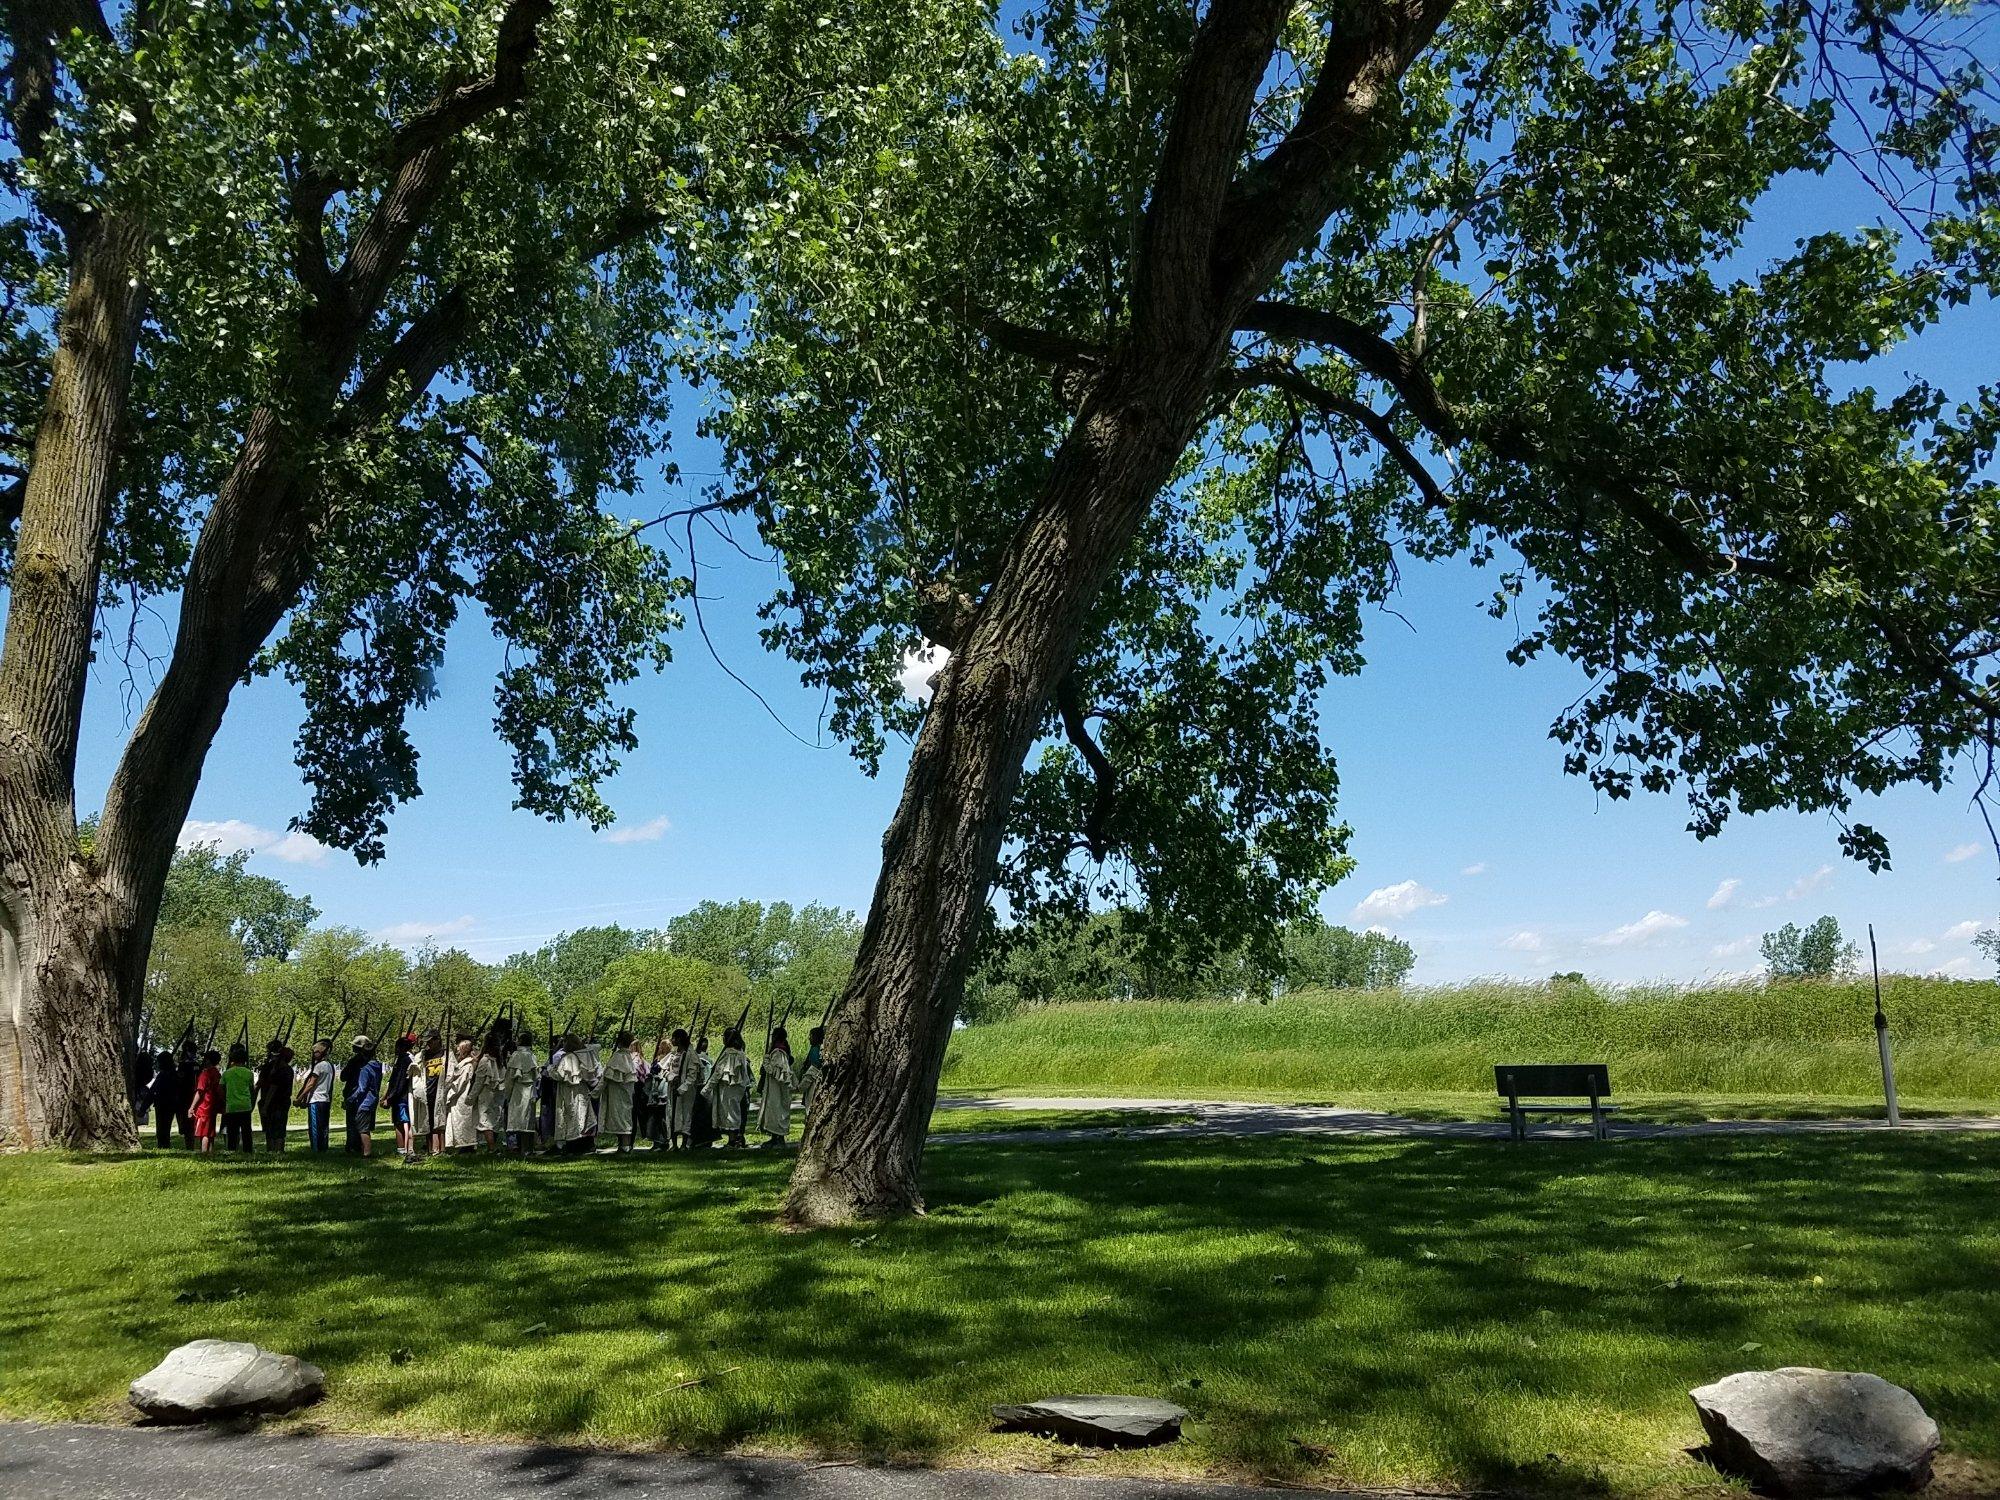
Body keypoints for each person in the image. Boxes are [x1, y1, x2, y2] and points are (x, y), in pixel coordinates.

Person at [703, 1026, 753, 1149]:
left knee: (731, 1113)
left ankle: (733, 1140)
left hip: (729, 1087)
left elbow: (718, 1072)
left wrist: (707, 1089)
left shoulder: (730, 1054)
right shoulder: (741, 1053)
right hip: (737, 1088)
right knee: (733, 1112)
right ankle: (736, 1138)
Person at [550, 1031, 595, 1152]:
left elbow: (560, 1075)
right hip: (580, 1090)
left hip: (569, 1091)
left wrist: (550, 1070)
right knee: (580, 1114)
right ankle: (584, 1144)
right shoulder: (581, 1056)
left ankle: (572, 1144)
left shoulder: (569, 1057)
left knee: (571, 1115)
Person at [599, 1029, 639, 1153]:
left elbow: (607, 1076)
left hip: (618, 1094)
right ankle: (623, 1144)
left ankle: (625, 1145)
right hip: (623, 1092)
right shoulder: (627, 1057)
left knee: (621, 1117)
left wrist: (596, 1092)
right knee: (622, 1117)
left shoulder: (619, 1057)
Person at [754, 1026, 795, 1148]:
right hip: (773, 1088)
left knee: (778, 1110)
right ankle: (774, 1137)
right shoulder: (777, 1051)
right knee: (772, 1111)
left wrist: (766, 1062)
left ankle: (779, 1138)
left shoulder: (778, 1052)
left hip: (778, 1088)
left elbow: (776, 1071)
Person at [294, 1038, 335, 1152]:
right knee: (324, 1126)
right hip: (325, 1100)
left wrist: (300, 1098)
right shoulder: (330, 1066)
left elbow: (311, 1084)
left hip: (316, 1100)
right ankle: (323, 1147)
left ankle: (316, 1149)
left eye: (316, 1052)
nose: (314, 1054)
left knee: (315, 1127)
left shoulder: (319, 1066)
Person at [343, 1035, 381, 1156]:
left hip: (360, 1098)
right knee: (361, 1125)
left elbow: (361, 1087)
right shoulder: (375, 1065)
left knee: (361, 1126)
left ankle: (363, 1151)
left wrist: (350, 1099)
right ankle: (357, 1147)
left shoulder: (364, 1067)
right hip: (368, 1098)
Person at [255, 1037, 295, 1151]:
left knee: (272, 1128)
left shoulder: (276, 1069)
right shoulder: (287, 1069)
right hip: (283, 1101)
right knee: (278, 1127)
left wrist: (265, 1105)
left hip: (274, 1101)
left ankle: (273, 1149)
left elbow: (271, 1087)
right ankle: (277, 1150)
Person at [442, 1034, 481, 1152]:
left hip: (461, 1098)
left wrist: (448, 1094)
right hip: (459, 1097)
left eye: (459, 1049)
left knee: (463, 1122)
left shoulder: (467, 1065)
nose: (457, 1052)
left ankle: (466, 1146)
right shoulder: (464, 1064)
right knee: (460, 1122)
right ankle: (463, 1145)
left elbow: (460, 1083)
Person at [504, 1028, 540, 1154]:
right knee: (526, 1119)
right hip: (529, 1090)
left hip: (518, 1090)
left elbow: (510, 1078)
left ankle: (520, 1148)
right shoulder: (532, 1056)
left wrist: (507, 1093)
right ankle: (526, 1148)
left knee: (519, 1120)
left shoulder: (516, 1056)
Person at [385, 1034, 416, 1157]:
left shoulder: (405, 1060)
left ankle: (404, 1148)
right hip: (399, 1096)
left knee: (402, 1123)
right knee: (400, 1122)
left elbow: (399, 1081)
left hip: (401, 1097)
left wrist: (391, 1097)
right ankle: (403, 1147)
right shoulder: (401, 1060)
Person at [221, 1042, 255, 1153]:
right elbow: (251, 1089)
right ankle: (248, 1150)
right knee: (246, 1131)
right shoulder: (249, 1073)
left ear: (232, 1060)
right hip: (245, 1105)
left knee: (232, 1131)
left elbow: (221, 1088)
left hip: (231, 1106)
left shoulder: (226, 1073)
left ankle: (232, 1150)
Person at [473, 1033, 504, 1150]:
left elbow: (479, 1081)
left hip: (486, 1093)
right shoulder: (501, 1060)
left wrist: (471, 1097)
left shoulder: (485, 1061)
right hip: (498, 1093)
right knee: (494, 1119)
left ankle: (492, 1147)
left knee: (485, 1121)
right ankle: (493, 1146)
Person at [188, 1049, 223, 1155]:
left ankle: (204, 1153)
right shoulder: (217, 1073)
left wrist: (192, 1107)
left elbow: (200, 1091)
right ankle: (211, 1152)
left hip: (204, 1107)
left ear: (208, 1060)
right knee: (211, 1131)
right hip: (213, 1106)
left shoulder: (205, 1074)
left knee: (204, 1133)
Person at [146, 1049, 181, 1149]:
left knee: (161, 1127)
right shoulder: (175, 1075)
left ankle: (163, 1145)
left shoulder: (162, 1076)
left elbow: (152, 1091)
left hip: (162, 1103)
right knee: (166, 1126)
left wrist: (144, 1106)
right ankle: (165, 1144)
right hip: (171, 1104)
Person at [799, 1025, 826, 1116]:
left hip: (813, 1080)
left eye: (811, 1036)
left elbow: (814, 1067)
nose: (809, 1038)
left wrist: (804, 1083)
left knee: (810, 1104)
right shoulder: (820, 1049)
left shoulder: (815, 1050)